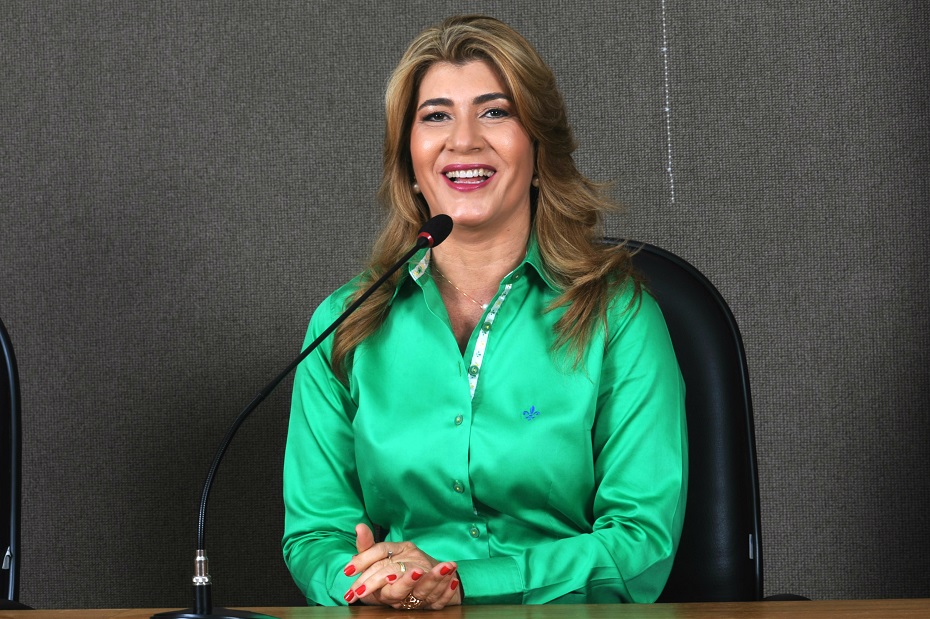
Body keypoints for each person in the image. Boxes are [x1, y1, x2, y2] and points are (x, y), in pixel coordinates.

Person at [283, 14, 687, 610]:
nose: (464, 140)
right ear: (409, 159)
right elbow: (316, 535)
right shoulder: (345, 325)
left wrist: (464, 581)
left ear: (539, 148)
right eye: (435, 116)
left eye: (495, 112)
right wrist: (371, 583)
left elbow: (640, 541)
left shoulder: (618, 317)